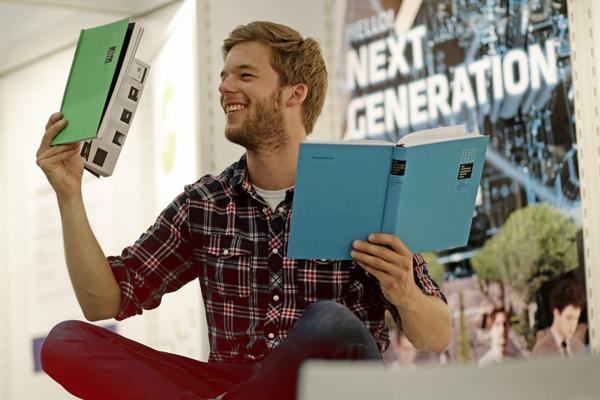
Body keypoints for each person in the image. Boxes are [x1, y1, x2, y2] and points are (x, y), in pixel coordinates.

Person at [36, 21, 452, 400]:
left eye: (244, 75)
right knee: (64, 341)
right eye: (223, 76)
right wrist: (69, 194)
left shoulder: (362, 190)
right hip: (232, 385)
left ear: (295, 93)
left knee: (332, 323)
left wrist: (405, 291)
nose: (224, 87)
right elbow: (104, 302)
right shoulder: (205, 203)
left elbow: (436, 335)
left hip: (331, 388)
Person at [532, 279, 586, 357]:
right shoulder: (541, 351)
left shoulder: (578, 347)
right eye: (569, 318)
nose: (573, 325)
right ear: (556, 314)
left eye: (576, 318)